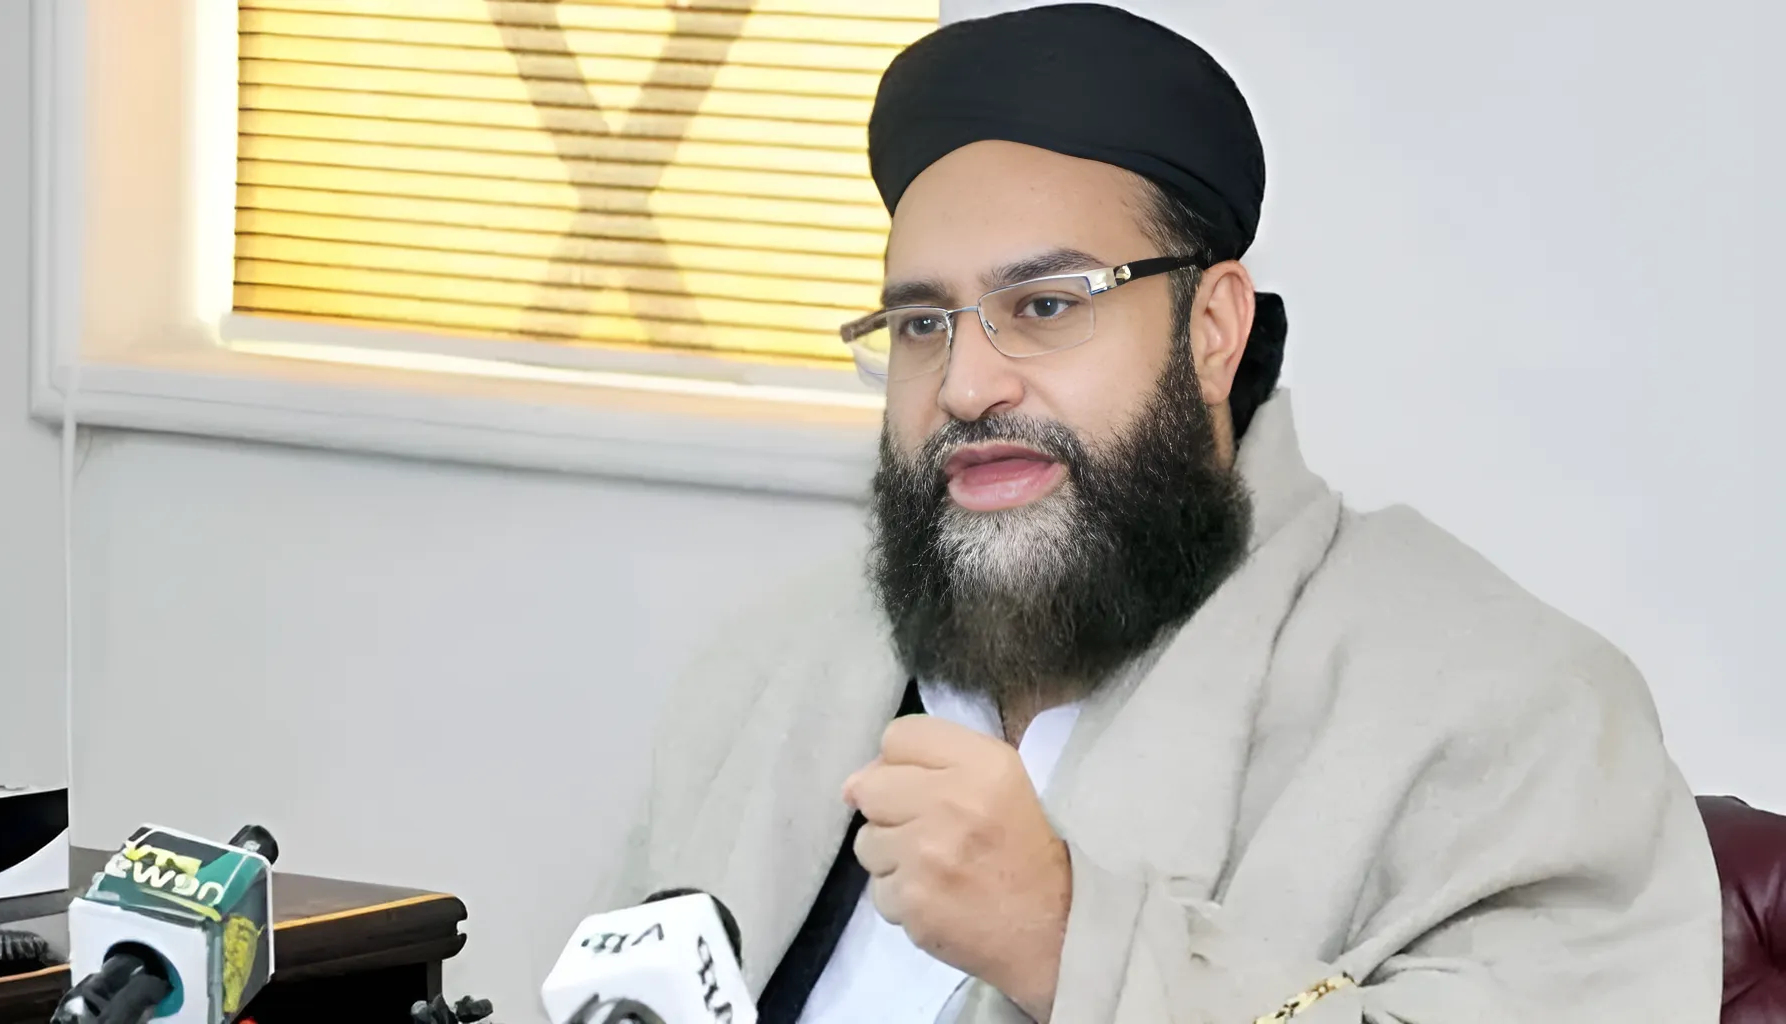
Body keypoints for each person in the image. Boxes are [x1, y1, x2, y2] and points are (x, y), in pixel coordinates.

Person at [596, 5, 1721, 1022]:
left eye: (1045, 305)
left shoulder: (1512, 708)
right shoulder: (770, 674)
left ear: (1213, 330)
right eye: (923, 325)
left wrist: (1065, 939)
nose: (967, 385)